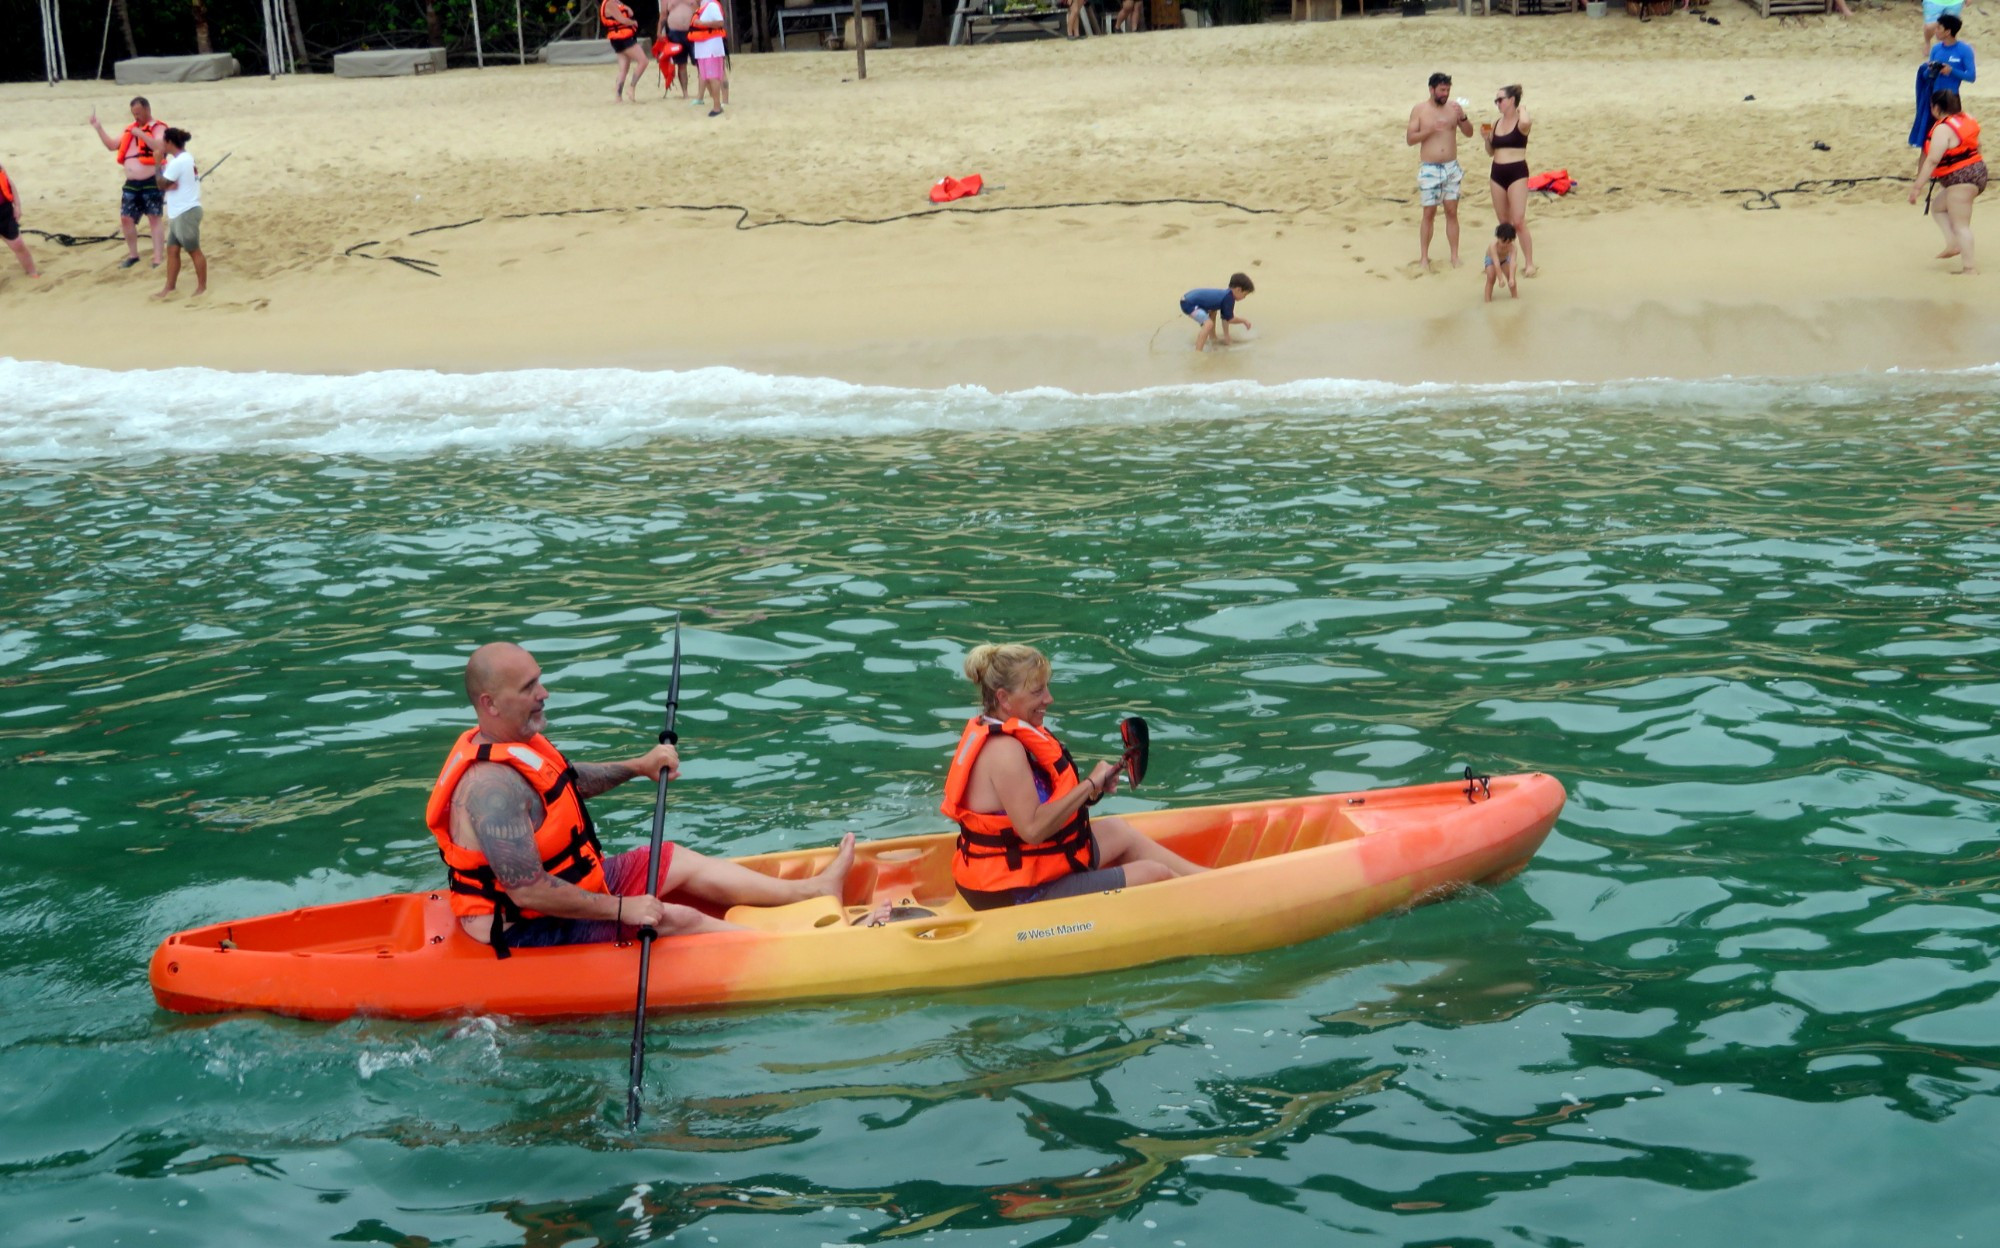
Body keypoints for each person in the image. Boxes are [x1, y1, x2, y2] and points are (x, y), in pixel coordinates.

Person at [426, 642, 858, 955]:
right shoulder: (489, 790)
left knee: (673, 859)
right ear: (490, 703)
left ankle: (813, 890)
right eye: (528, 687)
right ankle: (801, 950)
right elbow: (529, 894)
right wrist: (624, 908)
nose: (544, 693)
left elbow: (567, 783)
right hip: (522, 928)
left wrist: (639, 766)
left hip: (572, 889)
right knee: (677, 918)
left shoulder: (520, 745)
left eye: (539, 680)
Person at [941, 644, 1204, 911]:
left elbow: (1043, 803)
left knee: (1117, 830)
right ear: (1004, 698)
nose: (1049, 698)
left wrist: (1093, 789)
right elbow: (1032, 830)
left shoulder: (1013, 733)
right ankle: (1213, 901)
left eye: (1047, 687)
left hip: (1033, 867)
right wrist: (1088, 784)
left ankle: (1209, 880)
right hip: (1014, 892)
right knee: (1153, 874)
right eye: (1037, 691)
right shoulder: (1003, 751)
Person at [1910, 87, 1984, 275]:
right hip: (1977, 172)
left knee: (1961, 225)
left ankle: (1969, 268)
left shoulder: (1943, 128)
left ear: (1935, 108)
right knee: (1938, 207)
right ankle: (1953, 243)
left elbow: (1933, 160)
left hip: (1962, 178)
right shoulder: (1967, 117)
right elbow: (1978, 145)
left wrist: (1917, 187)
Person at [89, 97, 167, 270]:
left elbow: (159, 148)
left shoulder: (158, 128)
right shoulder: (130, 130)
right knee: (126, 218)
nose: (136, 117)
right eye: (134, 114)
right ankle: (133, 255)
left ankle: (157, 257)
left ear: (147, 109)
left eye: (139, 113)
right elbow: (111, 145)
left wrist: (142, 135)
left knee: (154, 217)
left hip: (152, 180)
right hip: (132, 183)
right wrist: (98, 127)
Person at [1407, 72, 1475, 272]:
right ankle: (1424, 257)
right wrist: (1430, 130)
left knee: (1452, 211)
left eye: (1448, 90)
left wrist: (1462, 116)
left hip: (1451, 167)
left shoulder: (1453, 108)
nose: (1445, 93)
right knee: (1429, 212)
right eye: (1442, 90)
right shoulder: (1420, 110)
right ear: (1432, 89)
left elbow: (1469, 133)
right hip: (1430, 167)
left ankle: (1454, 255)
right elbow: (1410, 139)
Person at [1482, 84, 1537, 278]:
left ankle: (1529, 263)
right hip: (1497, 173)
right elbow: (1490, 152)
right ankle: (1505, 260)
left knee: (1519, 221)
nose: (1497, 103)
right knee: (1504, 222)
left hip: (1516, 172)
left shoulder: (1521, 122)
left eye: (1500, 100)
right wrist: (1487, 139)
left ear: (1511, 100)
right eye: (1496, 100)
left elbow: (1526, 122)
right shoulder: (1496, 123)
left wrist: (1521, 108)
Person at [1913, 16, 1977, 169]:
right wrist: (1929, 69)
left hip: (1951, 98)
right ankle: (1921, 174)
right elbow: (1927, 76)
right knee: (1927, 137)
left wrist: (1951, 70)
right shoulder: (1936, 49)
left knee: (1954, 135)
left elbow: (1971, 76)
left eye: (1939, 28)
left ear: (1948, 31)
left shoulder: (1964, 50)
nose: (1935, 31)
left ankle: (1953, 167)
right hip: (1934, 97)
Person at [151, 128, 205, 300]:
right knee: (172, 250)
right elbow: (168, 183)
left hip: (185, 211)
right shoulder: (186, 158)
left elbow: (160, 184)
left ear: (169, 143)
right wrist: (168, 183)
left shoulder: (178, 162)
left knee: (193, 250)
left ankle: (202, 287)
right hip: (179, 212)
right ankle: (169, 287)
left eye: (164, 142)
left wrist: (157, 163)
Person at [1179, 274, 1254, 351]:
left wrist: (1226, 336)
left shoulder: (1226, 295)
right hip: (1188, 303)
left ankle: (1213, 338)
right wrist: (1244, 321)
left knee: (1213, 311)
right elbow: (1230, 319)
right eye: (1244, 295)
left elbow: (1225, 317)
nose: (1244, 298)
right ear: (1238, 290)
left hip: (1187, 300)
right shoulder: (1228, 298)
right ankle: (1198, 351)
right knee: (1208, 324)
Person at [0, 162, 43, 279]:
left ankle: (32, 272)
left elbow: (9, 183)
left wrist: (17, 205)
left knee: (18, 245)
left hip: (4, 212)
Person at [601, 0, 649, 102]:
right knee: (643, 61)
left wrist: (625, 8)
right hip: (622, 39)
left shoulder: (616, 2)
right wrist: (633, 22)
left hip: (620, 38)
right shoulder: (609, 4)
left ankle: (618, 97)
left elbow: (630, 12)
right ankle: (632, 87)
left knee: (623, 69)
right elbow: (622, 19)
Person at [690, 0, 729, 117]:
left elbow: (720, 22)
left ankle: (717, 107)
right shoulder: (700, 8)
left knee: (714, 77)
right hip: (701, 49)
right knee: (705, 77)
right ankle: (716, 102)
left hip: (711, 48)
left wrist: (702, 23)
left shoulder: (712, 5)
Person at [660, 0, 696, 100]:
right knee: (681, 64)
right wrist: (659, 31)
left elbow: (701, 10)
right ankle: (685, 93)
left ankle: (706, 89)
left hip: (693, 31)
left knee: (700, 62)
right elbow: (663, 15)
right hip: (675, 33)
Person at [1483, 222, 1518, 302]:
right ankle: (1487, 300)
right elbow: (1496, 262)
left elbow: (1513, 262)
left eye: (1508, 242)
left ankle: (1515, 298)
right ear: (1498, 237)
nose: (1505, 245)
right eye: (1503, 241)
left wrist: (1512, 278)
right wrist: (1500, 279)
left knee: (1511, 278)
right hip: (1491, 260)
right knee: (1491, 278)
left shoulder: (1513, 247)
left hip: (1505, 260)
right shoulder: (1493, 246)